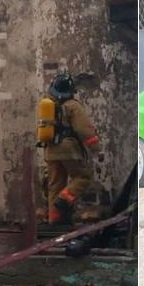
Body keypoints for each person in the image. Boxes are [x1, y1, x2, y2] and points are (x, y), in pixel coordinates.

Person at [43, 72, 99, 224]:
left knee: (55, 185)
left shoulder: (48, 106)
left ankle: (54, 220)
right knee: (82, 177)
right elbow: (84, 129)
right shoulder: (73, 106)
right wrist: (96, 148)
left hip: (50, 150)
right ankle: (64, 199)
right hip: (69, 150)